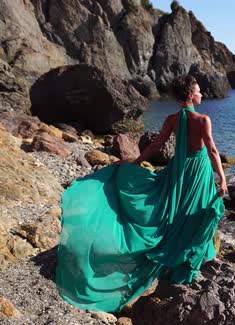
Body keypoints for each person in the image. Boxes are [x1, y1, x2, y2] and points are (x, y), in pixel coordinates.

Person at [56, 75, 226, 313]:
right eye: (198, 91)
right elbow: (213, 150)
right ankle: (193, 258)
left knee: (177, 210)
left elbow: (156, 146)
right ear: (190, 95)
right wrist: (222, 177)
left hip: (178, 170)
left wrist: (135, 163)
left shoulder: (172, 119)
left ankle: (194, 253)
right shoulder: (203, 119)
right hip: (199, 171)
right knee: (200, 211)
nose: (202, 95)